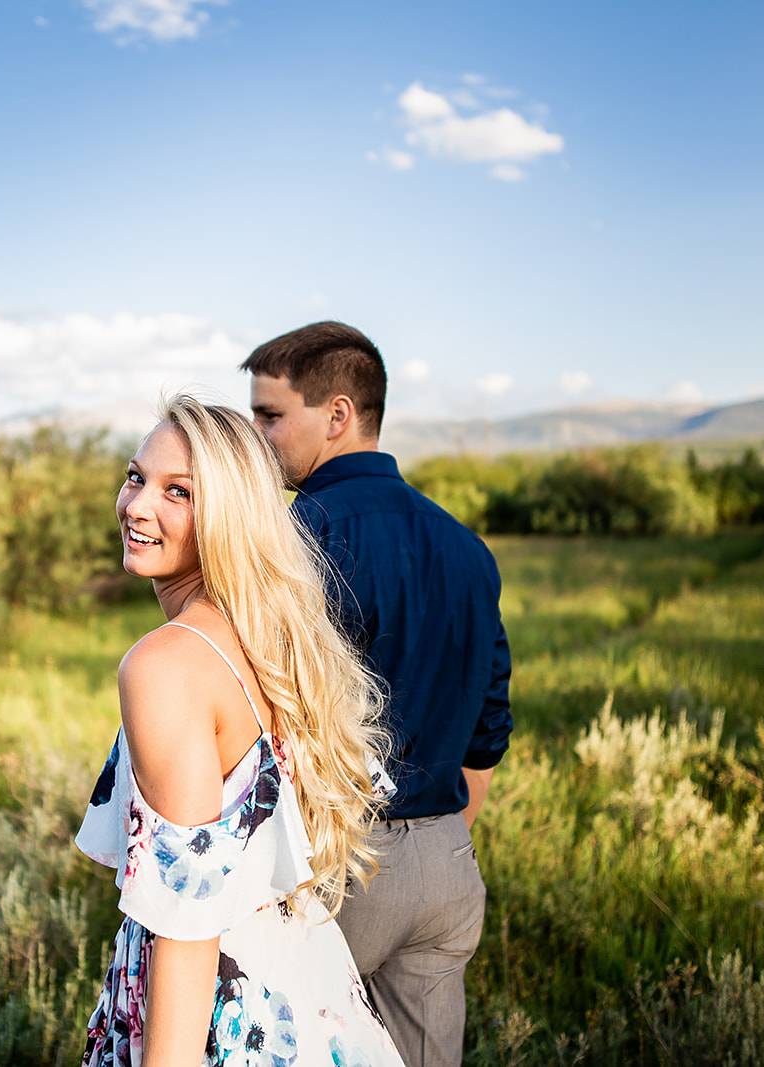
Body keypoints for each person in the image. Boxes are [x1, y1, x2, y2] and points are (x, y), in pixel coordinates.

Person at [77, 395, 405, 1067]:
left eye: (179, 492)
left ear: (228, 514)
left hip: (228, 1023)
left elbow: (189, 924)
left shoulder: (165, 664)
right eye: (136, 476)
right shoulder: (271, 641)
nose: (137, 506)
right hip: (310, 995)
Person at [243, 322, 513, 1066]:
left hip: (336, 868)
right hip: (446, 863)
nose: (257, 435)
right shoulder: (464, 544)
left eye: (270, 416)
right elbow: (489, 728)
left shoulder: (293, 539)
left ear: (337, 415)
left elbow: (257, 711)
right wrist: (435, 835)